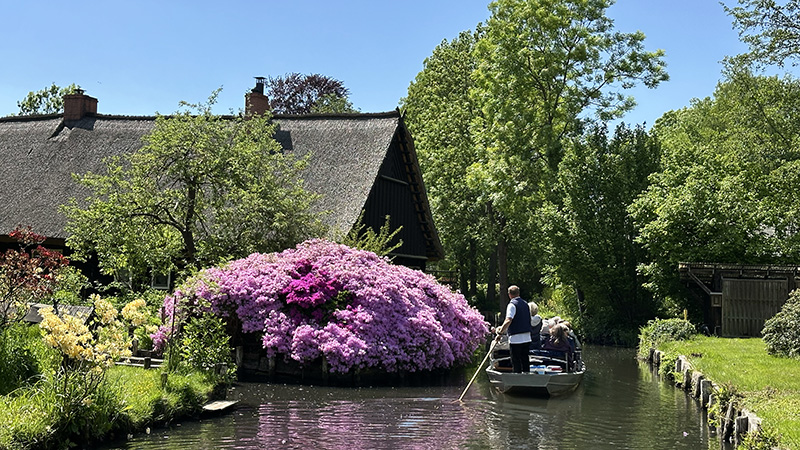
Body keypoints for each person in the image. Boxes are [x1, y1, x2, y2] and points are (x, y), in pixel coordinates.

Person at [494, 285, 532, 373]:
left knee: (516, 360)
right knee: (525, 360)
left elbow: (508, 320)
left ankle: (517, 379)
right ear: (518, 293)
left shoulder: (512, 305)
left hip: (516, 338)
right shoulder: (526, 304)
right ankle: (527, 377)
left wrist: (500, 333)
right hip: (527, 337)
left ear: (509, 294)